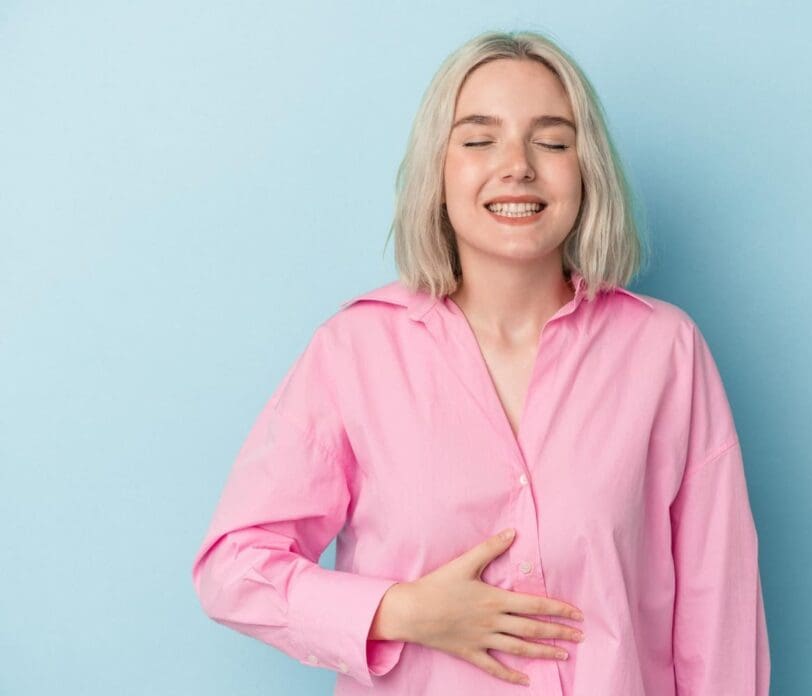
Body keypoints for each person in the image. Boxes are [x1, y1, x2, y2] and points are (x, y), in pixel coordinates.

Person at [191, 29, 770, 695]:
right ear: (438, 171)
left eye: (552, 140)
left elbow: (718, 611)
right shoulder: (354, 353)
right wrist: (401, 612)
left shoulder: (665, 352)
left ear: (588, 171)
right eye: (478, 139)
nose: (517, 165)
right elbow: (233, 568)